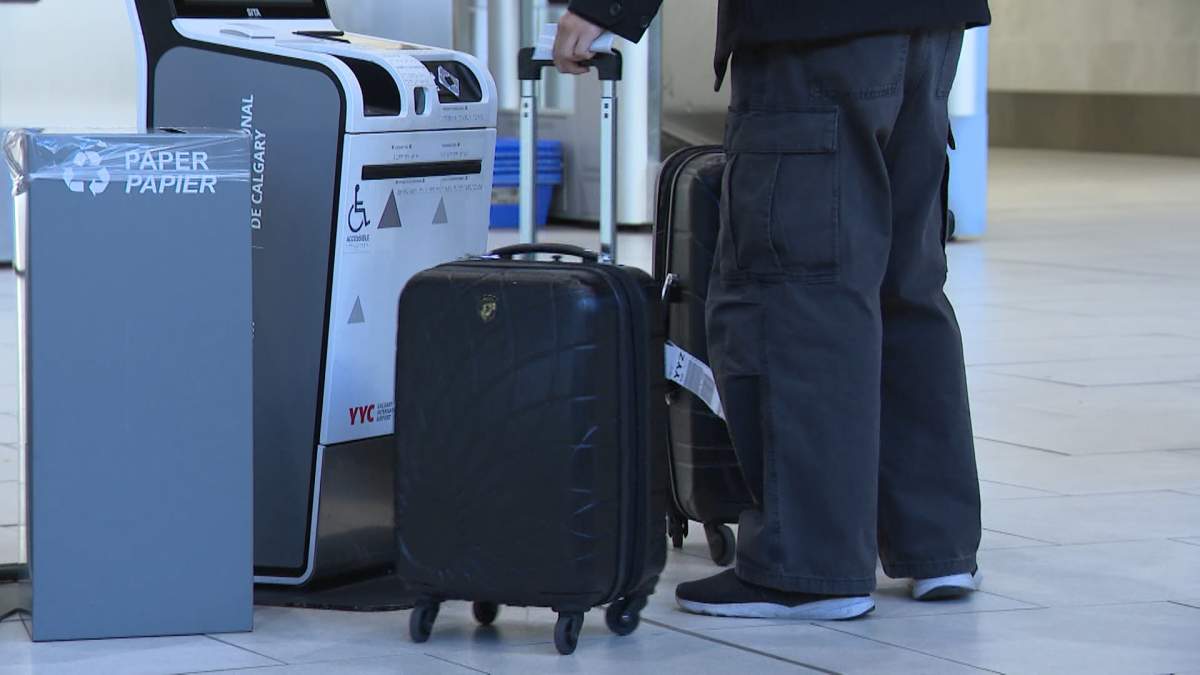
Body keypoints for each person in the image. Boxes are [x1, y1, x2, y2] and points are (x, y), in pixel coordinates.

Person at [556, 0, 991, 620]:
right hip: (931, 27)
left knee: (797, 294)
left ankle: (809, 565)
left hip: (813, 36)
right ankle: (935, 545)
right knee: (904, 285)